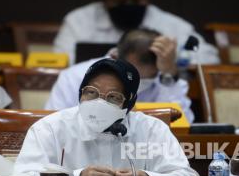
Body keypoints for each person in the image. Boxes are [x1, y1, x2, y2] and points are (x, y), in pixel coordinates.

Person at [14, 58, 198, 176]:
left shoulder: (152, 129)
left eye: (113, 97)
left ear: (129, 104)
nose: (99, 103)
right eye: (91, 93)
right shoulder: (49, 128)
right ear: (80, 93)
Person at [53, 0, 219, 65]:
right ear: (104, 1)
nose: (129, 5)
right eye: (120, 1)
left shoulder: (169, 24)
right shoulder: (78, 21)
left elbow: (209, 57)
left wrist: (173, 57)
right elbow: (60, 60)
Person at [46, 28, 195, 123]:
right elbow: (53, 124)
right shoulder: (74, 77)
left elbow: (184, 124)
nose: (137, 84)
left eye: (145, 79)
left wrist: (169, 75)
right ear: (115, 57)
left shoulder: (164, 78)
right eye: (132, 75)